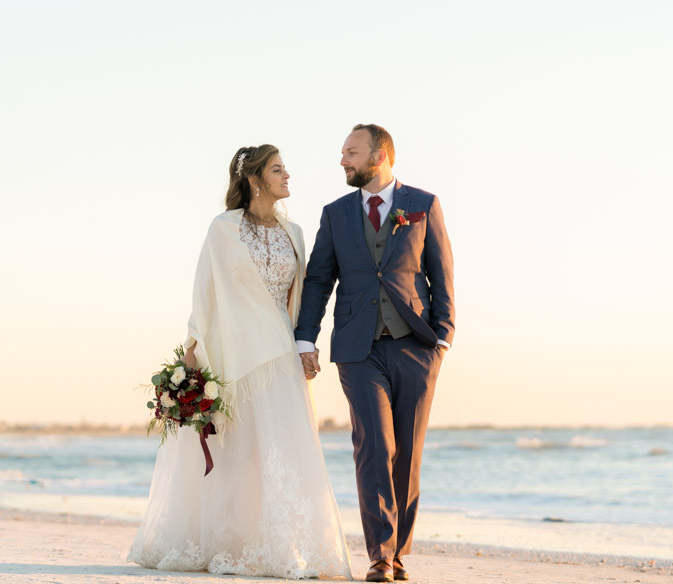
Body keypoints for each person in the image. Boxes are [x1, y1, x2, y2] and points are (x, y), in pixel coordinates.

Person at [127, 144, 352, 580]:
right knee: (238, 450)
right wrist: (191, 352)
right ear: (254, 179)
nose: (287, 176)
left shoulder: (295, 233)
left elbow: (300, 297)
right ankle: (233, 544)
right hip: (236, 353)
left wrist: (305, 347)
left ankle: (283, 545)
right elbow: (205, 292)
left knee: (282, 447)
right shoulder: (223, 228)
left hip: (280, 353)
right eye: (278, 169)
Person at [296, 124, 456, 582]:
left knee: (408, 451)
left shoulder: (423, 205)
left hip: (417, 346)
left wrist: (442, 337)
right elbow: (319, 279)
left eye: (351, 152)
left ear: (380, 155)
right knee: (374, 445)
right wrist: (305, 338)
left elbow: (442, 273)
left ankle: (398, 553)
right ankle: (380, 556)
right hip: (357, 348)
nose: (342, 160)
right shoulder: (336, 214)